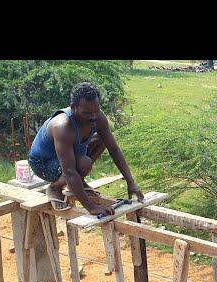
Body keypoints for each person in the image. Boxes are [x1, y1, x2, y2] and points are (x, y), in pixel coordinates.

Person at [29, 82, 143, 217]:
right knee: (84, 163)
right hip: (43, 164)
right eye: (87, 113)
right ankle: (55, 188)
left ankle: (78, 182)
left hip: (66, 157)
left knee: (102, 140)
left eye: (96, 111)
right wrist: (91, 207)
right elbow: (70, 171)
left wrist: (131, 182)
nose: (93, 116)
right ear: (73, 108)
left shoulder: (98, 117)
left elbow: (114, 149)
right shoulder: (62, 126)